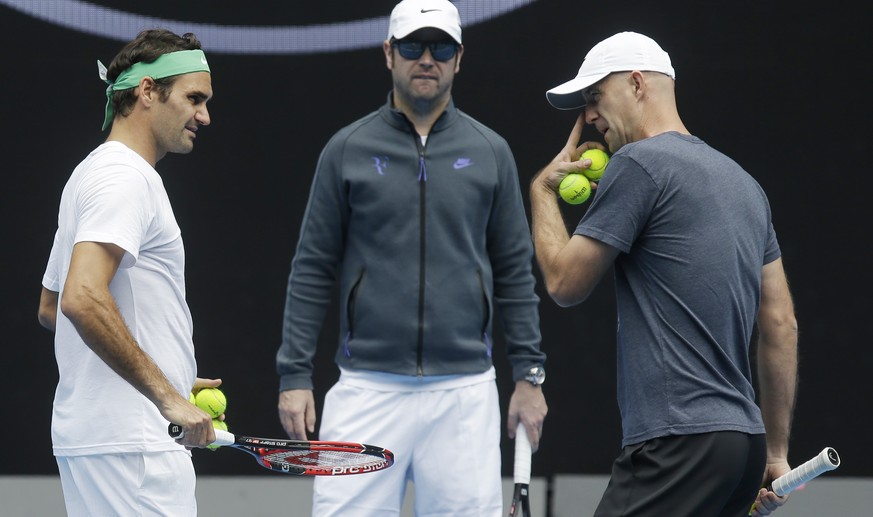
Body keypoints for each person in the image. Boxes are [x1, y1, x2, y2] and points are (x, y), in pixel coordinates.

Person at [275, 0, 547, 515]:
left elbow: (515, 271)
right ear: (388, 53)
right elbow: (312, 266)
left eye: (440, 46)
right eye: (412, 46)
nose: (427, 58)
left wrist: (530, 377)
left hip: (464, 391)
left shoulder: (492, 151)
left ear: (459, 58)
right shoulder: (347, 148)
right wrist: (294, 376)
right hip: (365, 390)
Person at [529, 32, 798, 516]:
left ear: (636, 84)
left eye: (594, 97)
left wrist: (542, 193)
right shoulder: (746, 185)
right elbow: (780, 325)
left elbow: (564, 284)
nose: (588, 115)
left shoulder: (637, 163)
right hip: (742, 448)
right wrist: (775, 451)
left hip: (678, 445)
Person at [37, 28, 220, 517]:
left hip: (105, 440)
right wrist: (165, 393)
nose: (204, 115)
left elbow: (50, 307)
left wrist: (163, 364)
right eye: (193, 98)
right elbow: (79, 298)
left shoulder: (91, 173)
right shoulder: (125, 177)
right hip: (134, 445)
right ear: (146, 92)